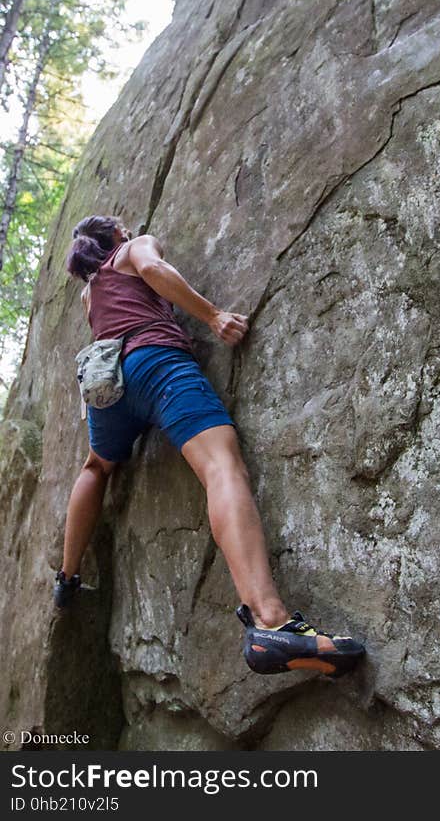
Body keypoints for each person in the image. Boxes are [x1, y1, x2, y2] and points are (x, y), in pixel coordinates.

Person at [60, 215, 365, 678]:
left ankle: (66, 577)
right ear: (118, 235)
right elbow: (154, 271)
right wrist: (213, 315)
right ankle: (270, 621)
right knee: (221, 467)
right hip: (156, 364)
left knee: (96, 467)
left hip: (107, 389)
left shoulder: (89, 293)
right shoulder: (134, 246)